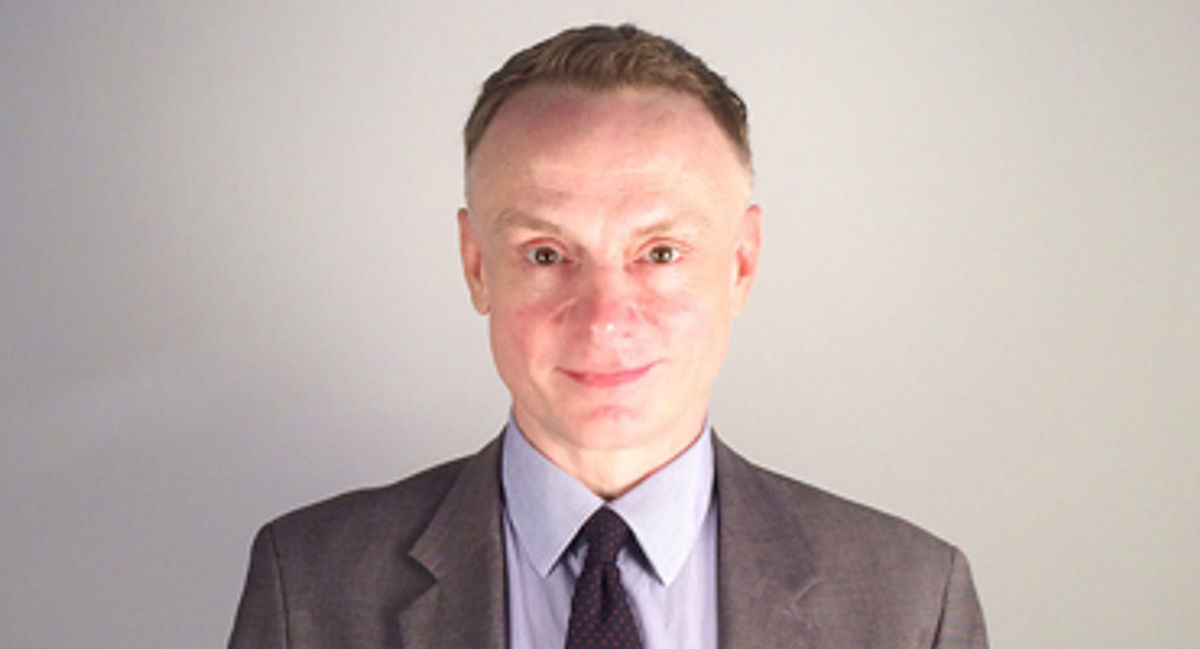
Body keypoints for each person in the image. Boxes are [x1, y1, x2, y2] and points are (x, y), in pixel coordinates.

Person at [229, 24, 987, 649]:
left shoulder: (914, 601)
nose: (604, 316)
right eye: (546, 255)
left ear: (741, 264)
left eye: (660, 253)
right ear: (477, 266)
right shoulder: (311, 585)